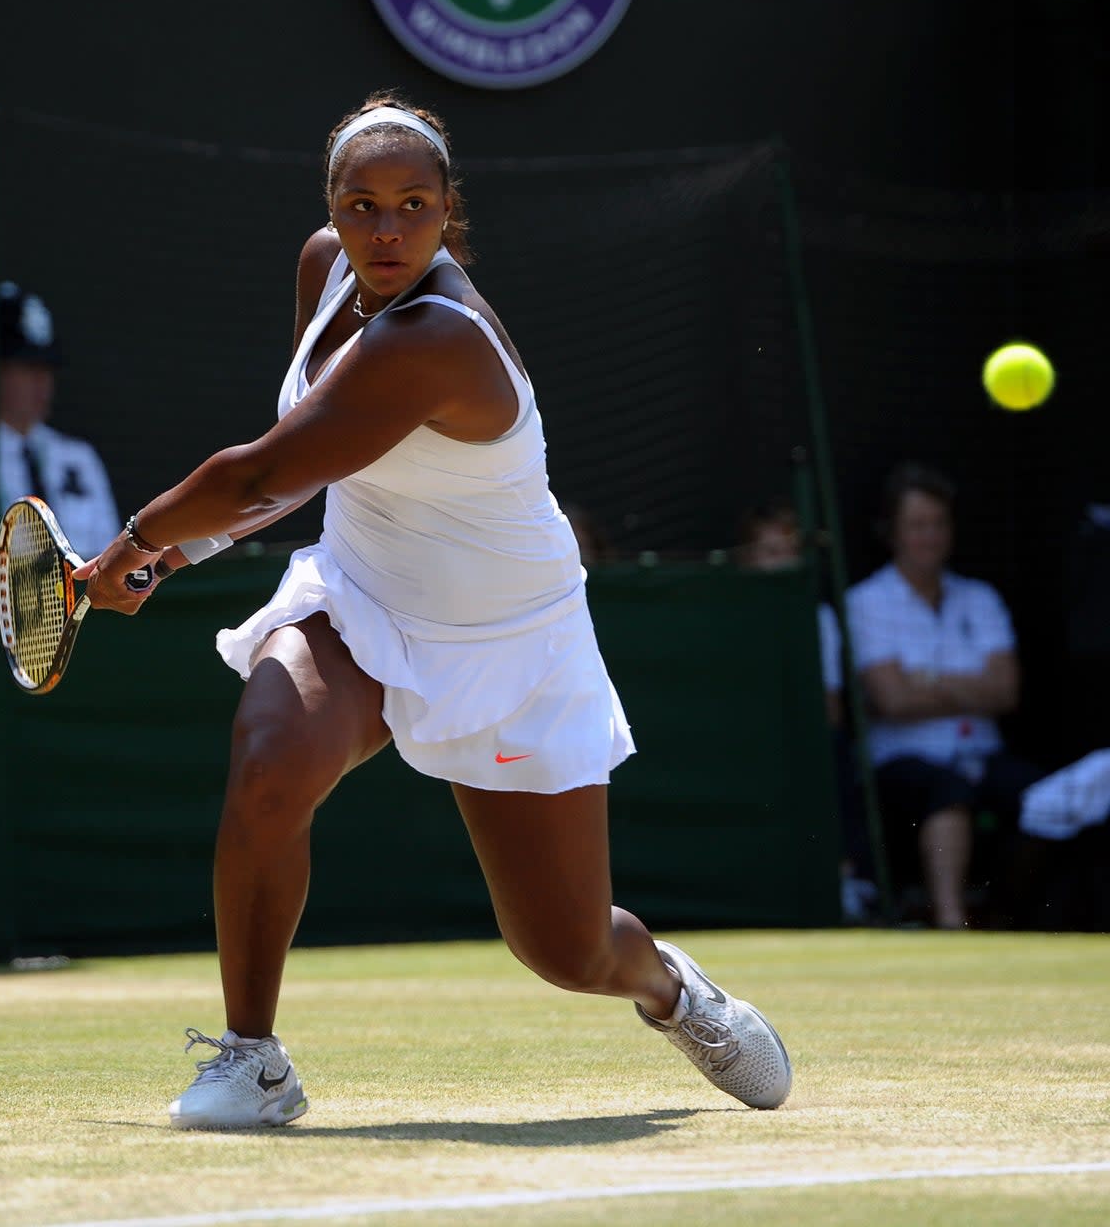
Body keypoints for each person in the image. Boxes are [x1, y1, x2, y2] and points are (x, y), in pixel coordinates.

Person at [76, 93, 793, 1129]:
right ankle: (254, 1057)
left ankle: (673, 990)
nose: (386, 229)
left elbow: (263, 467)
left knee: (566, 947)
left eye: (414, 204)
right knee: (271, 757)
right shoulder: (324, 267)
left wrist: (142, 543)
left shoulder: (437, 340)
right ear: (332, 206)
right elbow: (310, 465)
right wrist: (172, 551)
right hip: (364, 592)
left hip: (511, 637)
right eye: (362, 204)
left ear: (450, 209)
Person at [846, 462, 1040, 929]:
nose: (929, 537)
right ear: (892, 532)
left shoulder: (981, 597)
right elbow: (892, 700)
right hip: (903, 764)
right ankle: (953, 925)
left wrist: (929, 683)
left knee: (1045, 799)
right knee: (946, 790)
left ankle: (1017, 917)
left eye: (938, 524)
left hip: (984, 755)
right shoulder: (866, 601)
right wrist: (971, 687)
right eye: (916, 525)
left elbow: (1008, 690)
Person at [735, 500, 877, 923]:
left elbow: (832, 711)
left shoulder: (820, 619)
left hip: (804, 752)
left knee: (835, 754)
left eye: (790, 552)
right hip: (747, 749)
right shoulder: (731, 615)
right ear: (749, 559)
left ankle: (845, 878)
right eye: (771, 552)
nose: (783, 563)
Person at [0, 280, 121, 562]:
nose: (42, 382)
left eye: (47, 368)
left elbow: (108, 557)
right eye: (27, 367)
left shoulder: (79, 458)